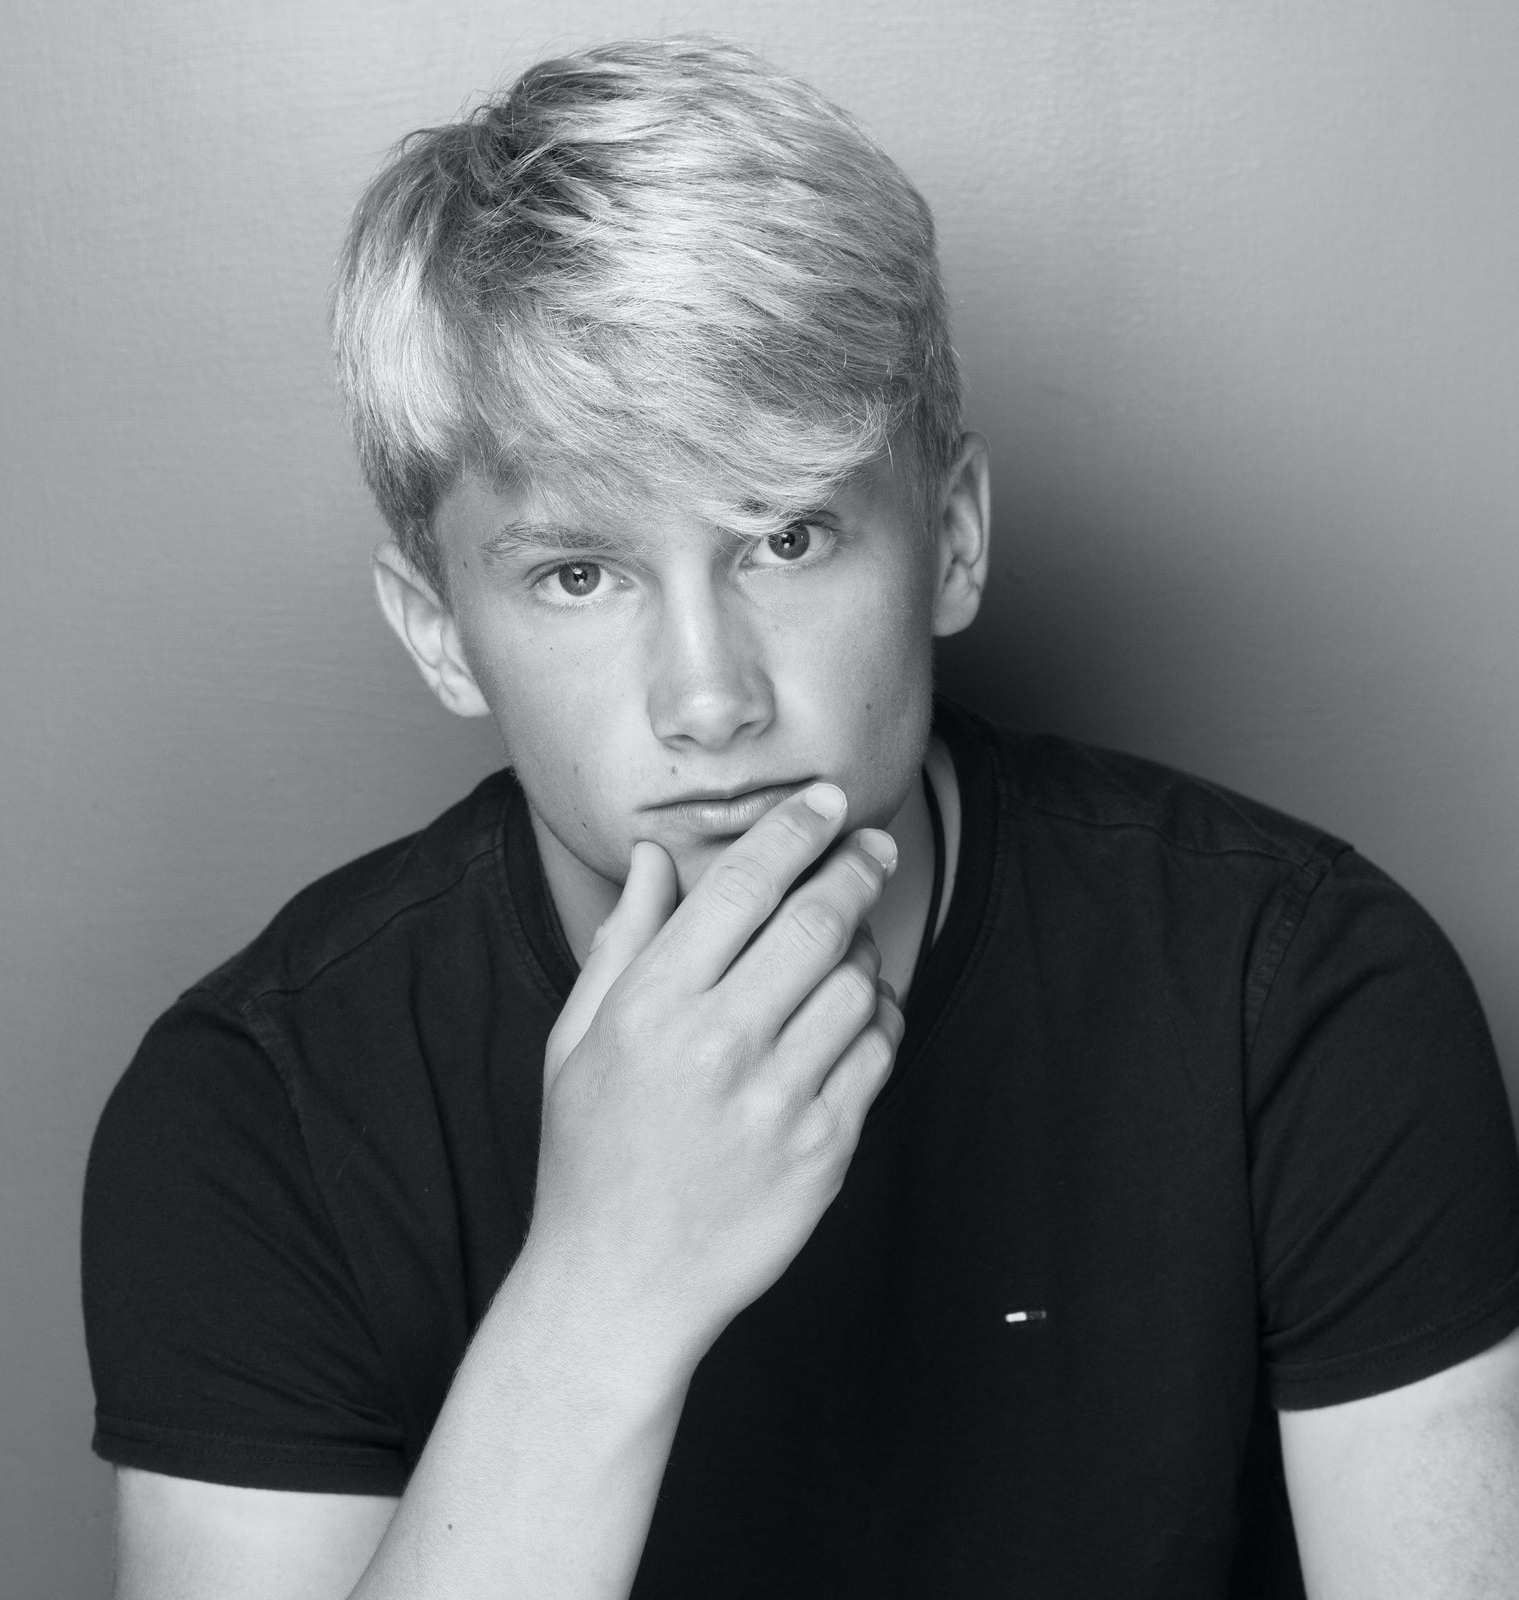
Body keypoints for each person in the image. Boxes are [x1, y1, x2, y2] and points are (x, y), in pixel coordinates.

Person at [81, 35, 1519, 1600]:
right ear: (439, 630)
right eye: (579, 574)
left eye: (785, 536)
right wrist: (605, 1290)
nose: (712, 700)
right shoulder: (252, 1114)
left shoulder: (1304, 997)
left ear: (951, 542)